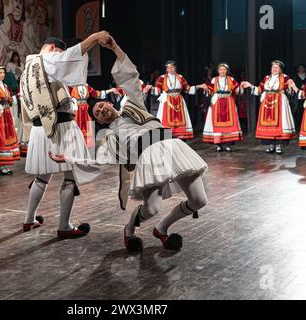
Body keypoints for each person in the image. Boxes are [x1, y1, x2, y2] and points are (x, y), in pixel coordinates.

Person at [49, 37, 208, 252]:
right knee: (151, 209)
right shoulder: (110, 136)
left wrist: (114, 47)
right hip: (151, 159)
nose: (101, 111)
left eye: (101, 107)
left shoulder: (133, 104)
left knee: (199, 200)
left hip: (172, 146)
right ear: (100, 122)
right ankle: (129, 229)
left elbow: (130, 75)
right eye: (97, 115)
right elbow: (97, 162)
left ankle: (162, 228)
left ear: (108, 103)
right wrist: (68, 159)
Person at [20, 32, 112, 236]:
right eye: (58, 53)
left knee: (42, 177)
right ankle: (64, 226)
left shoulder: (28, 68)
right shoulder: (47, 59)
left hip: (39, 128)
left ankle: (29, 220)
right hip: (60, 127)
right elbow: (70, 57)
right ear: (53, 48)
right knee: (70, 175)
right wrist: (94, 38)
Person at [241, 60, 296, 154]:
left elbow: (289, 89)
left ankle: (278, 145)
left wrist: (290, 86)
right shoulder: (266, 78)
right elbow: (259, 89)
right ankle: (271, 144)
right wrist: (250, 85)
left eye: (276, 68)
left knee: (279, 123)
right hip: (267, 103)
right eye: (273, 67)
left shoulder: (285, 77)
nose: (274, 69)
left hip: (279, 102)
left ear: (280, 69)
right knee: (268, 124)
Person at [197, 63, 244, 152]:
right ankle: (219, 144)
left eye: (224, 70)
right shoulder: (214, 80)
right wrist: (206, 89)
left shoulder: (231, 79)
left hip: (229, 103)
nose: (222, 71)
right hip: (217, 103)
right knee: (216, 124)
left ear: (227, 71)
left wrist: (241, 87)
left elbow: (237, 90)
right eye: (220, 70)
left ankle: (228, 144)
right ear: (218, 71)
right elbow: (210, 91)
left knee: (230, 124)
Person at [152, 61, 199, 140]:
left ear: (175, 67)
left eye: (172, 67)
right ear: (166, 69)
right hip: (167, 101)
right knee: (166, 118)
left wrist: (198, 87)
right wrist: (151, 88)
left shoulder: (180, 77)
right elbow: (157, 90)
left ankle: (180, 136)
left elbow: (187, 89)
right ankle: (167, 137)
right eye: (168, 68)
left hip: (178, 101)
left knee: (180, 119)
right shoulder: (162, 78)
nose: (170, 69)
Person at [0, 65, 21, 175]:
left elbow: (9, 99)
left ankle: (5, 164)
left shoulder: (5, 85)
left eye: (3, 72)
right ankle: (1, 166)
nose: (2, 74)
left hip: (6, 114)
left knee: (7, 137)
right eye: (0, 72)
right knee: (0, 137)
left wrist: (13, 98)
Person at [70, 83, 121, 148]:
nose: (102, 110)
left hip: (85, 110)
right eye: (98, 113)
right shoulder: (70, 86)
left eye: (101, 106)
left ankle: (88, 143)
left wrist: (110, 91)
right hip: (77, 111)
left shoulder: (86, 85)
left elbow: (97, 94)